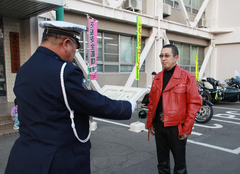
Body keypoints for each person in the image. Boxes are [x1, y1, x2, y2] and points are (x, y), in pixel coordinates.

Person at [5, 21, 136, 174]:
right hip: (59, 158)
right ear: (66, 43)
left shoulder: (24, 69)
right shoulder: (64, 70)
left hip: (25, 156)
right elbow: (92, 103)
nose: (75, 52)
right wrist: (127, 106)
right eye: (76, 47)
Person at [146, 44, 202, 174]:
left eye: (167, 55)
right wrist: (150, 123)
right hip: (160, 125)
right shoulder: (157, 77)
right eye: (161, 56)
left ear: (176, 57)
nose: (163, 59)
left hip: (176, 127)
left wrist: (187, 128)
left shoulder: (188, 77)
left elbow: (194, 104)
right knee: (162, 163)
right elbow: (152, 102)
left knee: (180, 166)